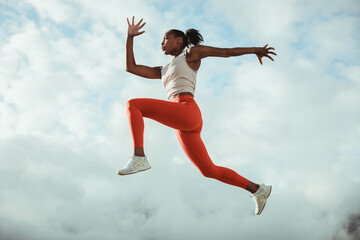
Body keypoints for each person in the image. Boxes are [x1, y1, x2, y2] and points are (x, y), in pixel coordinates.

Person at [118, 16, 277, 215]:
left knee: (134, 105)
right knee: (208, 170)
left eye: (165, 38)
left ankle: (139, 156)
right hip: (181, 122)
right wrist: (129, 38)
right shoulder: (164, 69)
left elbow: (226, 52)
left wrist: (255, 50)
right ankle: (258, 190)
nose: (162, 43)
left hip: (187, 110)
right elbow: (131, 67)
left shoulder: (191, 54)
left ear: (179, 40)